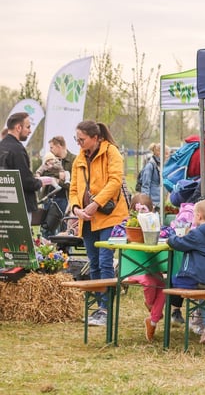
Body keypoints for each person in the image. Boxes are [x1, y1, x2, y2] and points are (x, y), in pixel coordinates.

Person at [69, 120, 129, 327]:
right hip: (87, 218)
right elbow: (74, 188)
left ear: (95, 138)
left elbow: (115, 181)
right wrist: (76, 208)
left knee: (105, 261)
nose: (79, 143)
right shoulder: (79, 157)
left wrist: (96, 203)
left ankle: (106, 309)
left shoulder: (112, 152)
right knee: (92, 262)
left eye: (82, 139)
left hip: (108, 216)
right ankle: (97, 307)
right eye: (76, 139)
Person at [114, 193, 175, 341]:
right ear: (132, 212)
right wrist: (129, 235)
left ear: (152, 211)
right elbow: (116, 233)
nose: (141, 214)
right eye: (138, 211)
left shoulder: (155, 224)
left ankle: (153, 320)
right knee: (150, 282)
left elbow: (170, 232)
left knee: (165, 286)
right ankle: (153, 307)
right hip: (132, 268)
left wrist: (157, 232)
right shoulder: (126, 225)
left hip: (153, 267)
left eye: (144, 210)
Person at [167, 198, 205, 344]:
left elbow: (179, 243)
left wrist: (171, 238)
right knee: (204, 292)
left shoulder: (197, 233)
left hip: (197, 277)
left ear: (199, 216)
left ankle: (181, 315)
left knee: (172, 280)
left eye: (194, 215)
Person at [0, 112, 53, 220]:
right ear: (18, 127)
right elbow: (25, 181)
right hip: (20, 206)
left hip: (4, 204)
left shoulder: (2, 146)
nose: (30, 131)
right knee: (21, 237)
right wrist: (39, 182)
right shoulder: (18, 149)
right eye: (28, 127)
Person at [47, 135, 76, 221]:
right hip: (50, 199)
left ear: (59, 146)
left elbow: (74, 184)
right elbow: (44, 173)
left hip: (65, 200)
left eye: (52, 147)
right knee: (47, 230)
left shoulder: (74, 160)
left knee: (63, 227)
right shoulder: (51, 160)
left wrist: (58, 181)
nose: (50, 150)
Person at [139, 143, 163, 209]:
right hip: (153, 202)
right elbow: (145, 185)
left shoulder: (160, 164)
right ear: (158, 152)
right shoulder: (150, 166)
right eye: (165, 153)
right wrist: (145, 203)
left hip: (159, 201)